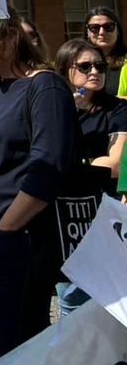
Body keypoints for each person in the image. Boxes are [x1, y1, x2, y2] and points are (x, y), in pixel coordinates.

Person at [0, 14, 75, 358]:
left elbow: (48, 168)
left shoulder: (45, 86)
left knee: (22, 342)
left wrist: (6, 229)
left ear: (9, 34)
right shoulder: (2, 88)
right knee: (8, 342)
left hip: (21, 232)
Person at [51, 37, 127, 317]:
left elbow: (115, 164)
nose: (94, 71)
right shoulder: (56, 109)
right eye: (85, 66)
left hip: (101, 208)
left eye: (99, 66)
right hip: (64, 212)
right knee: (68, 296)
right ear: (65, 70)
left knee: (103, 297)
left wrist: (73, 164)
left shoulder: (118, 109)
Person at [81, 7, 127, 97]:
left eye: (108, 27)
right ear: (87, 32)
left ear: (118, 30)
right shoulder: (76, 62)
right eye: (94, 28)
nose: (102, 32)